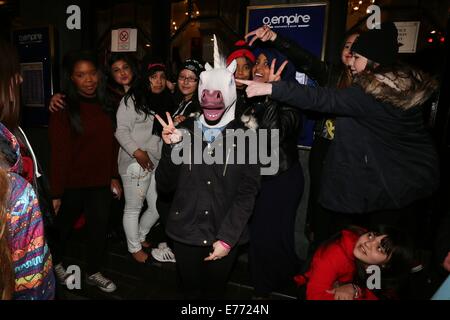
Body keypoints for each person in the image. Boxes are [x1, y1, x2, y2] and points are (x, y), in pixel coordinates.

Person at [239, 22, 439, 241]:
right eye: (348, 52)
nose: (350, 60)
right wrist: (276, 38)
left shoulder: (376, 93)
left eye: (356, 56)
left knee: (370, 245)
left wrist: (271, 88)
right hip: (382, 177)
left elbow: (323, 99)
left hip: (388, 183)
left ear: (374, 61)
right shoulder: (393, 83)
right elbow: (308, 62)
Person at [155, 47, 261, 299]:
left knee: (214, 293)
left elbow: (248, 192)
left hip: (223, 234)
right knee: (189, 291)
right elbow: (165, 185)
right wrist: (171, 149)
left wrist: (227, 239)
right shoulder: (184, 130)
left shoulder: (247, 136)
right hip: (186, 234)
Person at [246, 24, 360, 247]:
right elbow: (305, 59)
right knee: (320, 224)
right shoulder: (332, 76)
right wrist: (276, 38)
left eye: (356, 47)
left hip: (355, 161)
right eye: (346, 45)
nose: (350, 50)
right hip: (325, 155)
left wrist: (273, 93)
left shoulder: (376, 87)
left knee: (349, 227)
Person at [49, 50, 121, 293]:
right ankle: (54, 263)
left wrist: (112, 176)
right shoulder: (62, 107)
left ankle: (93, 272)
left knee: (98, 230)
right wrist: (56, 193)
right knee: (62, 230)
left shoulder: (107, 102)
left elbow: (112, 145)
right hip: (71, 184)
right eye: (81, 75)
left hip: (99, 182)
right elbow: (59, 153)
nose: (89, 80)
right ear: (71, 78)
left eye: (92, 74)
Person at [241, 46, 304, 298]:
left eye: (267, 63)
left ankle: (264, 289)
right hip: (257, 177)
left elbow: (271, 137)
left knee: (272, 235)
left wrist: (273, 94)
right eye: (258, 62)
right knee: (263, 235)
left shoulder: (291, 102)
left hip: (281, 179)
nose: (258, 67)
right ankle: (273, 279)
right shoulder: (250, 98)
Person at [0, 38, 55, 300]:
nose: (21, 80)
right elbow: (33, 287)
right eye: (13, 73)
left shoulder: (13, 134)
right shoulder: (14, 191)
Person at [115, 60, 175, 263]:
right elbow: (121, 131)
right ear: (145, 79)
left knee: (157, 206)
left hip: (154, 161)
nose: (158, 82)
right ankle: (134, 248)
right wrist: (137, 152)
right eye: (153, 77)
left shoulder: (164, 100)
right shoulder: (133, 99)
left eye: (162, 77)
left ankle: (140, 237)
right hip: (135, 161)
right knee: (133, 207)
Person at [152, 59, 205, 262]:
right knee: (165, 205)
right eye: (182, 77)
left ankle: (178, 251)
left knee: (171, 208)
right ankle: (175, 245)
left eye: (192, 79)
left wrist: (188, 121)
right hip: (173, 164)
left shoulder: (200, 104)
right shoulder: (178, 100)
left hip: (188, 167)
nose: (185, 82)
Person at [294, 225, 413, 300]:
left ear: (385, 265)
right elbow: (314, 296)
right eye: (371, 235)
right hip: (310, 288)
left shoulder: (375, 268)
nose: (368, 243)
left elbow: (372, 293)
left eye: (379, 248)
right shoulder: (335, 254)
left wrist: (355, 289)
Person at [226, 40, 255, 118]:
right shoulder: (221, 96)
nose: (240, 72)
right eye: (235, 67)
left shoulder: (257, 98)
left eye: (246, 67)